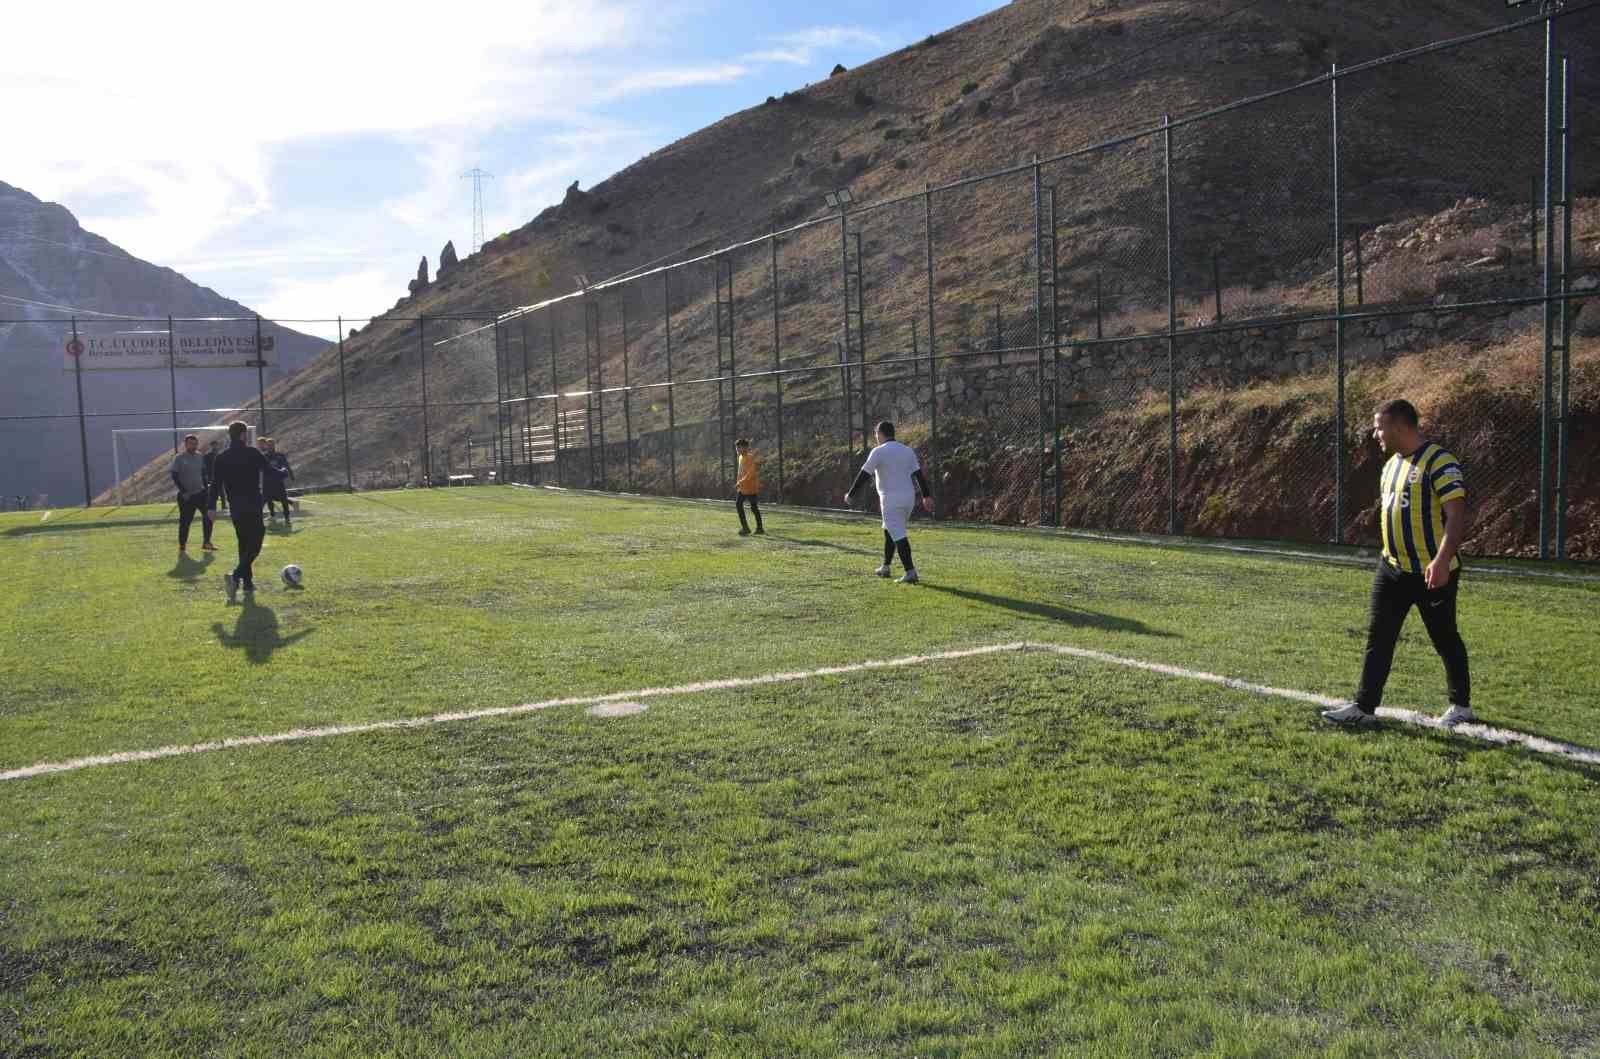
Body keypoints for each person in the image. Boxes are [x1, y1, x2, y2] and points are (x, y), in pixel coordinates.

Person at [1324, 399, 1472, 727]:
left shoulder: (1439, 460)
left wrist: (1442, 560)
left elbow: (1456, 514)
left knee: (1444, 637)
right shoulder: (1391, 464)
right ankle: (1363, 707)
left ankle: (1460, 705)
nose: (1375, 433)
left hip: (1431, 571)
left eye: (1380, 427)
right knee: (1379, 636)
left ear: (1401, 428)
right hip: (1392, 568)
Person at [844, 420, 934, 584]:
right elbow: (919, 475)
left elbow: (864, 474)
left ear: (879, 434)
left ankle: (910, 572)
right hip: (908, 499)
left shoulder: (878, 452)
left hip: (891, 500)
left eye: (876, 434)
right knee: (890, 530)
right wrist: (926, 496)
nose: (876, 437)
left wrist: (851, 494)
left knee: (898, 534)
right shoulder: (907, 451)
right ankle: (885, 567)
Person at [209, 421, 275, 603]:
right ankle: (236, 575)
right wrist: (283, 472)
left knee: (243, 540)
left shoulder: (221, 457)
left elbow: (215, 484)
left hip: (235, 506)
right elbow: (269, 471)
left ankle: (247, 583)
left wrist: (211, 507)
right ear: (243, 435)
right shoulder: (252, 453)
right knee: (257, 539)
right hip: (252, 503)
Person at [168, 434, 215, 553]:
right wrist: (183, 491)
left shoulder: (200, 456)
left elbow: (204, 472)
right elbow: (174, 475)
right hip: (186, 497)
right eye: (190, 443)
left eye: (195, 443)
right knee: (185, 522)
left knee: (209, 516)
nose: (193, 446)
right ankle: (182, 546)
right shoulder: (179, 458)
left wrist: (206, 487)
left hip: (200, 493)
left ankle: (206, 542)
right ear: (186, 444)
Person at [259, 437, 294, 527]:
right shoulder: (263, 456)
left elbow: (285, 466)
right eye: (268, 445)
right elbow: (260, 468)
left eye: (272, 445)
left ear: (274, 445)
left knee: (284, 501)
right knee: (264, 501)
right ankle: (267, 517)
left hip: (278, 483)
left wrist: (289, 474)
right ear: (266, 446)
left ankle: (287, 518)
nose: (270, 446)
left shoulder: (280, 455)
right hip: (267, 483)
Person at [734, 437, 764, 536]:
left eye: (739, 448)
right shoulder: (740, 457)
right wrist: (738, 483)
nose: (737, 450)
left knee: (754, 508)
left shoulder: (750, 458)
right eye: (737, 448)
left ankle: (759, 528)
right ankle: (745, 528)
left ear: (745, 448)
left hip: (750, 487)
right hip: (742, 487)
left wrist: (741, 482)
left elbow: (750, 473)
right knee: (738, 504)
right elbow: (740, 472)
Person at [202, 439, 226, 513]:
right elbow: (205, 466)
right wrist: (206, 476)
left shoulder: (221, 455)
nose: (215, 446)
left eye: (216, 445)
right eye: (213, 445)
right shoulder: (207, 456)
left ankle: (223, 506)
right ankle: (211, 506)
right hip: (211, 476)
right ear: (211, 446)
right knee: (212, 492)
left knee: (222, 492)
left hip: (219, 476)